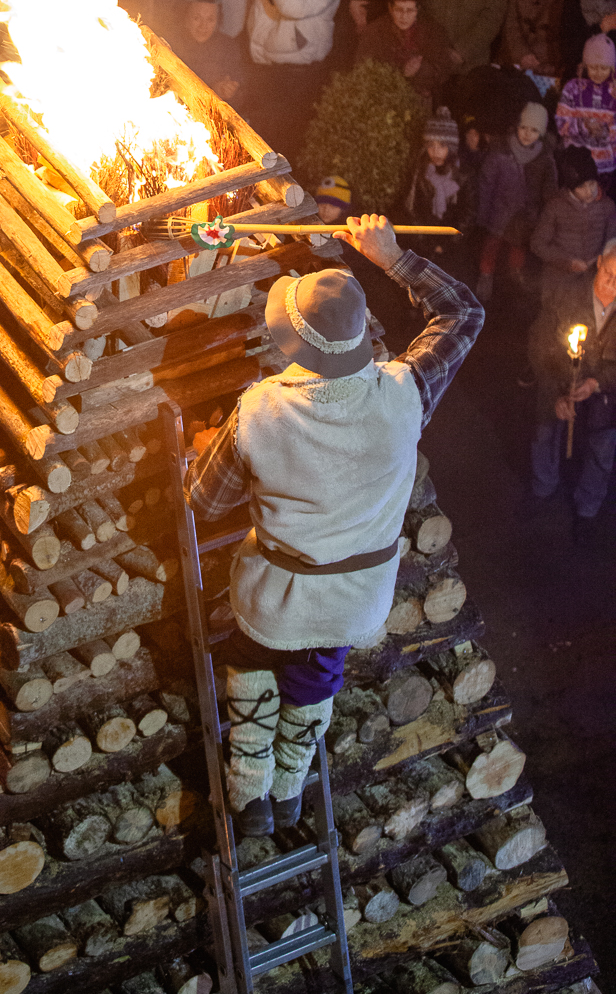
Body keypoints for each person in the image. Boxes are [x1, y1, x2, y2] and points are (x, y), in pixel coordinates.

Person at [186, 213, 482, 832]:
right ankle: (290, 787)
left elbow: (204, 503)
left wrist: (220, 453)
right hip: (359, 601)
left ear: (290, 346)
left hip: (279, 600)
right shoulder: (406, 391)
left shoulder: (257, 410)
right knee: (319, 666)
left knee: (249, 654)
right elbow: (463, 315)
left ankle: (250, 790)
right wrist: (391, 256)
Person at [235, 0, 350, 155]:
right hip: (264, 66)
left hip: (298, 78)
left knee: (284, 148)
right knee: (257, 146)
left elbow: (294, 7)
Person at [528, 236, 616, 541]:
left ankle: (588, 509)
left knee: (603, 445)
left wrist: (597, 383)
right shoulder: (567, 292)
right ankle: (542, 489)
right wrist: (556, 395)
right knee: (545, 431)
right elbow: (540, 344)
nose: (613, 285)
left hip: (605, 390)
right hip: (560, 379)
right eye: (610, 275)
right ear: (600, 263)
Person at [476, 100, 557, 301]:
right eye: (523, 128)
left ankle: (515, 274)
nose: (527, 134)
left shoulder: (545, 158)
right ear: (516, 127)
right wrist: (482, 213)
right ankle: (485, 275)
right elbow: (486, 183)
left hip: (526, 215)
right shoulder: (501, 151)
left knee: (518, 247)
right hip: (499, 210)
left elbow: (549, 190)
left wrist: (543, 217)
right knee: (491, 246)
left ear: (541, 133)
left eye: (533, 130)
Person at [530, 146, 616, 300]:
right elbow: (538, 244)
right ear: (571, 188)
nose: (589, 191)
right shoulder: (556, 206)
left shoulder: (607, 206)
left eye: (591, 184)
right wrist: (567, 262)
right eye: (581, 187)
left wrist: (599, 260)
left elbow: (611, 242)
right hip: (559, 282)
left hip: (593, 280)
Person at [355, 0, 454, 107]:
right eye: (399, 10)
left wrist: (421, 68)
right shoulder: (374, 32)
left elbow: (444, 68)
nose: (404, 16)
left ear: (418, 9)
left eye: (410, 10)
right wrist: (402, 72)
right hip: (384, 99)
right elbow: (362, 71)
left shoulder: (432, 31)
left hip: (421, 100)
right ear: (390, 8)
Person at [404, 106, 472, 267]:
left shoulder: (463, 175)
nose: (435, 151)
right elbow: (412, 208)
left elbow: (468, 212)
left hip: (452, 246)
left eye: (442, 146)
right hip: (423, 243)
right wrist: (426, 242)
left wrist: (448, 243)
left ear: (451, 147)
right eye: (431, 145)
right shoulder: (419, 172)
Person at [555, 34, 616, 192]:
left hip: (605, 167)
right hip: (575, 166)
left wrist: (606, 131)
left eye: (604, 68)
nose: (598, 72)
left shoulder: (614, 91)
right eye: (593, 67)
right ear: (584, 65)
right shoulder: (572, 88)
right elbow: (561, 123)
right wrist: (582, 125)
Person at [166, 0, 245, 103]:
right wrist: (211, 89)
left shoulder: (228, 47)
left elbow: (239, 84)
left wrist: (228, 89)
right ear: (186, 19)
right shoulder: (170, 45)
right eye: (197, 18)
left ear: (218, 22)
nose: (203, 26)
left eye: (210, 20)